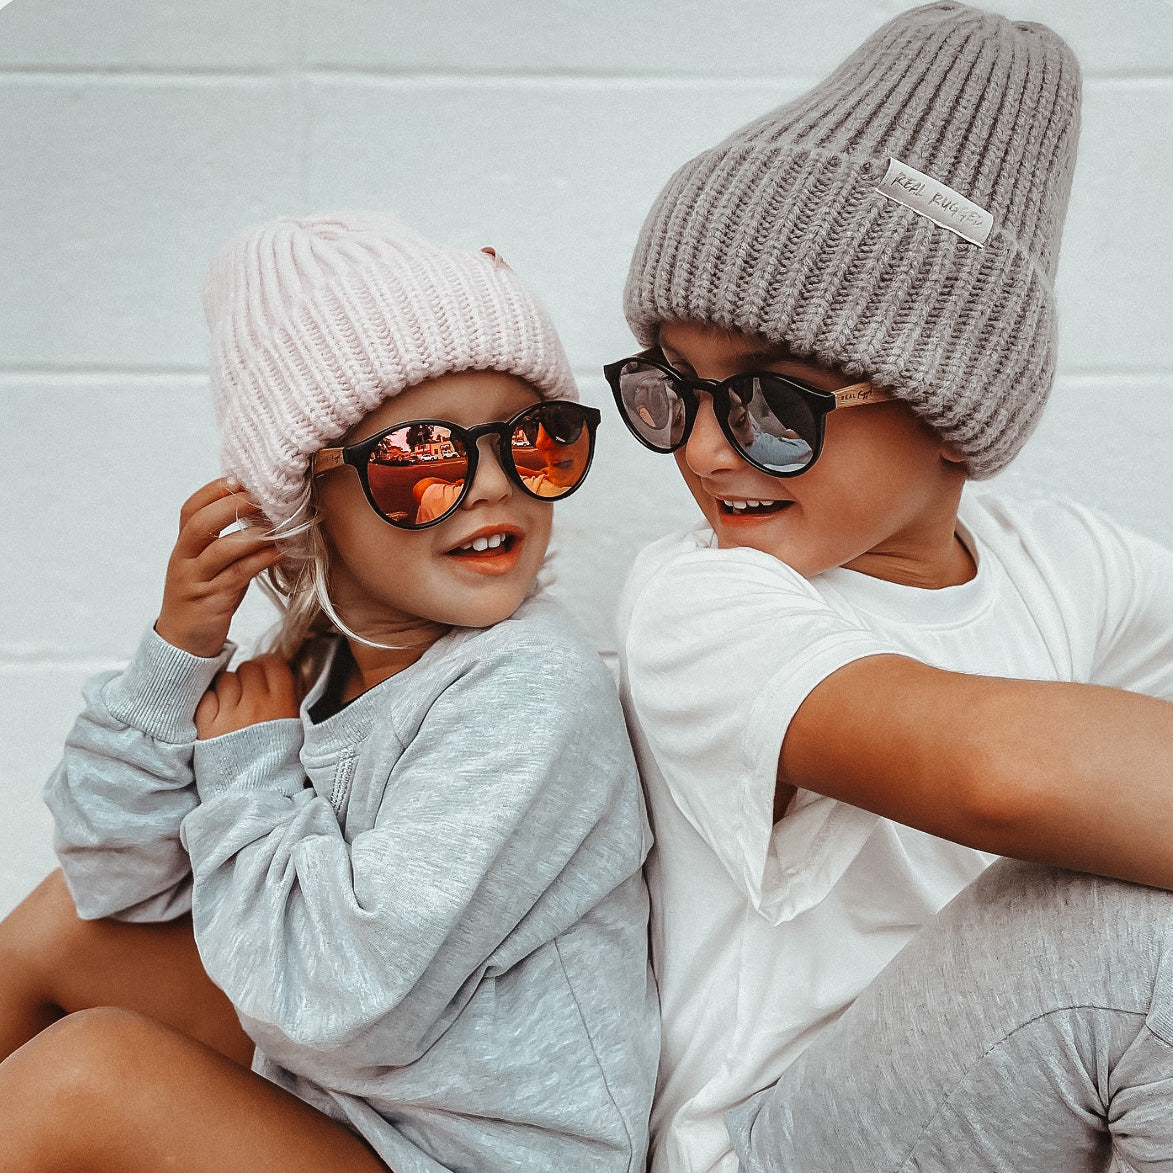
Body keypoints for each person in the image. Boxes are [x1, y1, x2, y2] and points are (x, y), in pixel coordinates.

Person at [606, 5, 1173, 1171]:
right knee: (1143, 945)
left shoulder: (1074, 564)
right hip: (778, 1134)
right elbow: (997, 774)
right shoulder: (701, 603)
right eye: (672, 393)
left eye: (772, 405)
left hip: (1014, 1109)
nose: (707, 452)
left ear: (951, 409)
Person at [0, 212, 658, 1172]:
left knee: (90, 1075)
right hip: (356, 1101)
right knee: (63, 922)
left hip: (468, 1154)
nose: (489, 486)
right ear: (303, 501)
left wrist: (246, 778)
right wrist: (175, 658)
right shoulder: (309, 667)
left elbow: (348, 1001)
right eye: (419, 460)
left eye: (533, 441)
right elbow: (113, 876)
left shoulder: (529, 690)